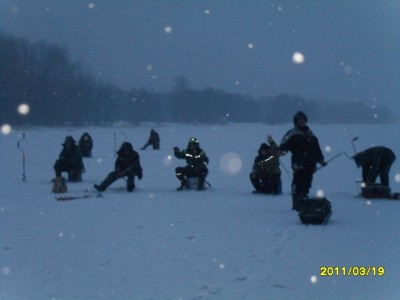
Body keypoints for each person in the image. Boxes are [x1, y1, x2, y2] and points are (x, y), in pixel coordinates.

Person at [278, 111, 327, 211]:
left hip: (310, 163)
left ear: (305, 121)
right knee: (298, 181)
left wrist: (321, 160)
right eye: (299, 120)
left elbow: (317, 148)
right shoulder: (292, 133)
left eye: (303, 120)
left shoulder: (311, 134)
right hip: (298, 162)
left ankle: (304, 199)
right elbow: (285, 144)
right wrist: (281, 151)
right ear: (296, 122)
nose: (301, 122)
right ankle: (296, 202)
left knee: (307, 181)